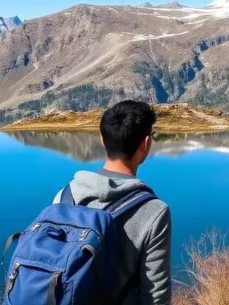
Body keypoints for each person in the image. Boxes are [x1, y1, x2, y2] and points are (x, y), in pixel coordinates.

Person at [53, 100, 172, 305]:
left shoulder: (64, 196)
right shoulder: (154, 211)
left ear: (102, 139)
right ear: (145, 143)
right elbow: (155, 296)